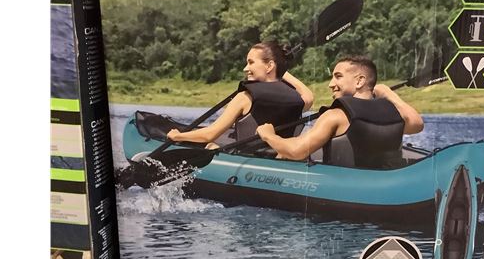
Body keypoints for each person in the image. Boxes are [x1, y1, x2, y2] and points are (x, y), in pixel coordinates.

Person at [257, 56, 423, 169]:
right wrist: (388, 93)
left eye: (338, 76)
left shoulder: (336, 115)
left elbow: (297, 151)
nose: (331, 84)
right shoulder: (392, 113)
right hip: (383, 185)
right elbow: (417, 124)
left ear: (359, 81)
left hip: (343, 191)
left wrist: (269, 135)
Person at [166, 42, 313, 147]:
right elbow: (308, 95)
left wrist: (178, 136)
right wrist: (280, 69)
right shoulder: (297, 100)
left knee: (210, 145)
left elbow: (210, 134)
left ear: (269, 65)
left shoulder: (245, 97)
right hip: (277, 159)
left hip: (245, 160)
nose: (245, 68)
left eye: (251, 62)